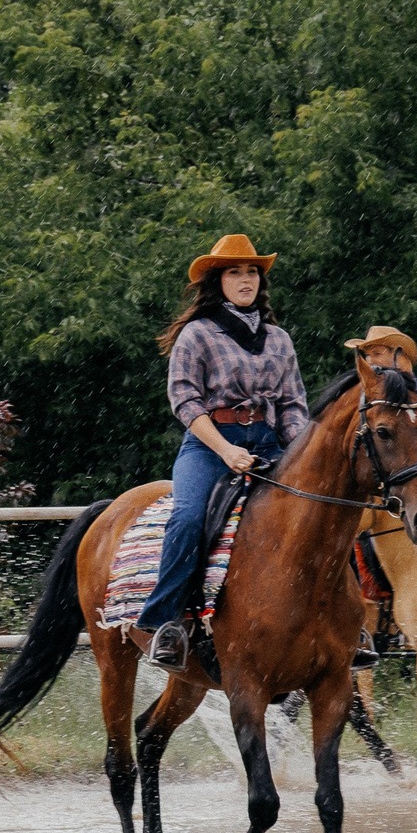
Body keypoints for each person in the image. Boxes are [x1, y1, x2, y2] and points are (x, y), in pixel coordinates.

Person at [137, 233, 310, 671]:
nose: (246, 279)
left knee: (321, 510)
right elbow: (185, 402)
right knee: (188, 518)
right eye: (235, 272)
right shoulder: (196, 335)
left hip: (268, 441)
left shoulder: (279, 339)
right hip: (209, 444)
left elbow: (293, 406)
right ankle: (168, 622)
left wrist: (302, 453)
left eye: (252, 271)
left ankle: (345, 623)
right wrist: (226, 449)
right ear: (219, 281)